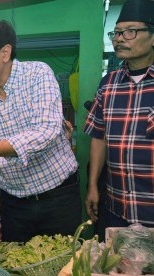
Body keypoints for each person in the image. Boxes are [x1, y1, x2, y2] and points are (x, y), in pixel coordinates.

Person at [0, 19, 80, 242]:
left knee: (65, 265)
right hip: (14, 205)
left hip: (58, 197)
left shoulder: (38, 74)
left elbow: (46, 130)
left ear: (5, 52)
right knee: (15, 266)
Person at [84, 0, 154, 229]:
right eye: (116, 32)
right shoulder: (108, 84)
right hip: (117, 209)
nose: (119, 38)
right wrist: (93, 184)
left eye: (130, 31)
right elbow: (98, 137)